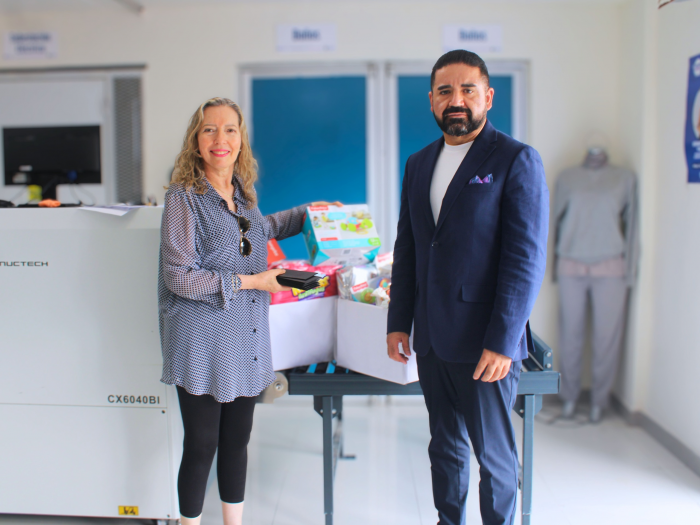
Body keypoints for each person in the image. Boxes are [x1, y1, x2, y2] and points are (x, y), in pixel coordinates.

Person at [158, 97, 339, 525]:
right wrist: (255, 281)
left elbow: (263, 228)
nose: (220, 138)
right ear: (196, 140)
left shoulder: (241, 195)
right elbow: (179, 277)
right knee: (202, 444)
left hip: (245, 336)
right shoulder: (184, 198)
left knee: (238, 440)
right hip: (202, 342)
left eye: (230, 130)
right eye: (209, 129)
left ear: (241, 140)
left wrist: (311, 212)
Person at [386, 50, 549, 525]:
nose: (455, 100)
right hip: (432, 339)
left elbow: (525, 260)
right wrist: (399, 321)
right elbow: (409, 247)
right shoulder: (419, 163)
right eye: (445, 91)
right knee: (445, 449)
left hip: (485, 343)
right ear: (432, 100)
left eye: (467, 90)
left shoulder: (515, 159)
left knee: (493, 457)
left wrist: (503, 341)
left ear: (488, 97)